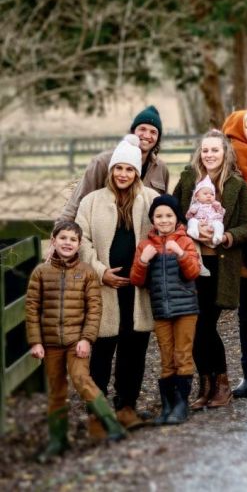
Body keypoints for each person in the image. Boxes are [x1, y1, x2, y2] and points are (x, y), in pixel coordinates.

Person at [75, 135, 158, 432]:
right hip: (103, 290)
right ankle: (97, 414)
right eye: (118, 168)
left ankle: (126, 408)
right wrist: (100, 271)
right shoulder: (92, 201)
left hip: (137, 290)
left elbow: (163, 229)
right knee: (100, 353)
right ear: (111, 170)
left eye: (129, 169)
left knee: (134, 350)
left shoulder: (149, 199)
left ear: (137, 172)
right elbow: (81, 240)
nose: (123, 174)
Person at [26, 221, 127, 459]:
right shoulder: (41, 272)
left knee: (82, 379)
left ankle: (112, 425)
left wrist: (86, 339)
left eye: (72, 240)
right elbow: (31, 308)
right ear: (54, 240)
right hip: (50, 342)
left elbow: (94, 309)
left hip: (76, 342)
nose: (67, 243)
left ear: (79, 244)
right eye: (63, 238)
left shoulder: (86, 272)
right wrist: (36, 341)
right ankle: (58, 441)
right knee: (56, 391)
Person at [172, 129, 247, 410]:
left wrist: (228, 236)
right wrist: (190, 231)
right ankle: (205, 385)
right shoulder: (187, 179)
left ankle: (221, 384)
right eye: (205, 150)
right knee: (193, 324)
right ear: (200, 153)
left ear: (225, 153)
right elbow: (171, 215)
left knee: (204, 323)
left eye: (215, 150)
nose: (209, 155)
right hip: (190, 262)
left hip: (220, 264)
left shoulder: (236, 185)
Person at [129, 194, 201, 426]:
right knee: (166, 357)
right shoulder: (145, 245)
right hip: (161, 310)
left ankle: (182, 405)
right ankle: (168, 405)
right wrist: (143, 262)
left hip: (186, 310)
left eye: (168, 215)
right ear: (152, 219)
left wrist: (180, 254)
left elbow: (193, 273)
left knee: (182, 354)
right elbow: (136, 280)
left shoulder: (185, 241)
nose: (164, 220)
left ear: (176, 217)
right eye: (158, 216)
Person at [58, 105, 169, 223]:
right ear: (132, 132)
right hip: (104, 233)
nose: (147, 135)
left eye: (153, 132)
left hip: (143, 236)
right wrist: (61, 231)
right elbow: (77, 202)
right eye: (142, 129)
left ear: (158, 138)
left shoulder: (161, 169)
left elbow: (164, 209)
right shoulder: (102, 162)